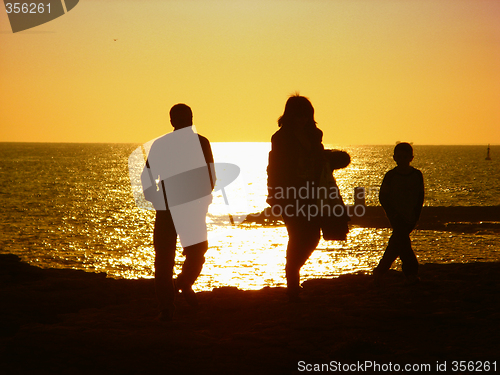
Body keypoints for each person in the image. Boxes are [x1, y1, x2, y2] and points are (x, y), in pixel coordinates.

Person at [141, 104, 215, 321]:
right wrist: (155, 199)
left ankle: (182, 283)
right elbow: (148, 177)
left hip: (192, 208)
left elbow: (211, 175)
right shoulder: (162, 145)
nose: (186, 123)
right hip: (167, 208)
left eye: (189, 119)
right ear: (172, 122)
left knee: (197, 253)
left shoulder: (202, 142)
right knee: (164, 259)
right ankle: (166, 307)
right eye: (181, 120)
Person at [266, 95, 328, 302]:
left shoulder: (314, 135)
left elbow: (320, 160)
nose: (302, 119)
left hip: (313, 192)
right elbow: (274, 167)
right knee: (296, 235)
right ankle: (292, 283)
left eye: (306, 115)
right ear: (290, 115)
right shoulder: (281, 137)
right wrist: (274, 194)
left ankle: (292, 272)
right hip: (290, 193)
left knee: (313, 236)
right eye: (298, 115)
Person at [373, 142, 424, 285]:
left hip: (410, 216)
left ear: (411, 158)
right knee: (403, 244)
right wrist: (392, 214)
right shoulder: (390, 175)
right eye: (399, 157)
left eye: (405, 157)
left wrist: (416, 215)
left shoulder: (417, 175)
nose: (402, 159)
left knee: (397, 244)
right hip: (396, 216)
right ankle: (411, 273)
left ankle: (379, 271)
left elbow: (420, 196)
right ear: (394, 157)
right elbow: (383, 197)